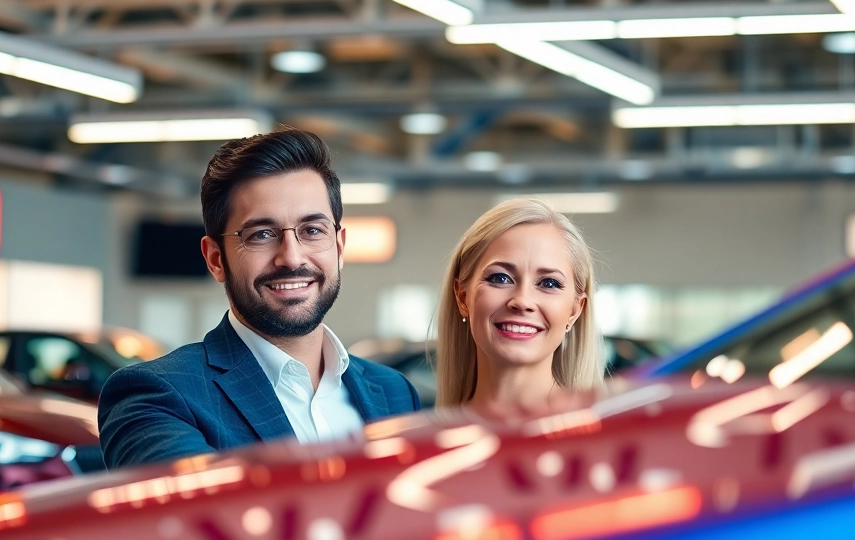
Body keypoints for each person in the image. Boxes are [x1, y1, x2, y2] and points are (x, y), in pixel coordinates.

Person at [99, 129, 421, 470]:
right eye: (261, 235)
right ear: (216, 259)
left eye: (312, 230)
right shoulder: (154, 396)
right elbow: (207, 517)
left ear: (339, 247)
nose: (292, 258)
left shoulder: (394, 392)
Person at [434, 198, 604, 414]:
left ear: (575, 310)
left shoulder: (603, 439)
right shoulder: (424, 441)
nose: (522, 301)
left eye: (549, 283)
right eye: (500, 278)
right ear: (461, 296)